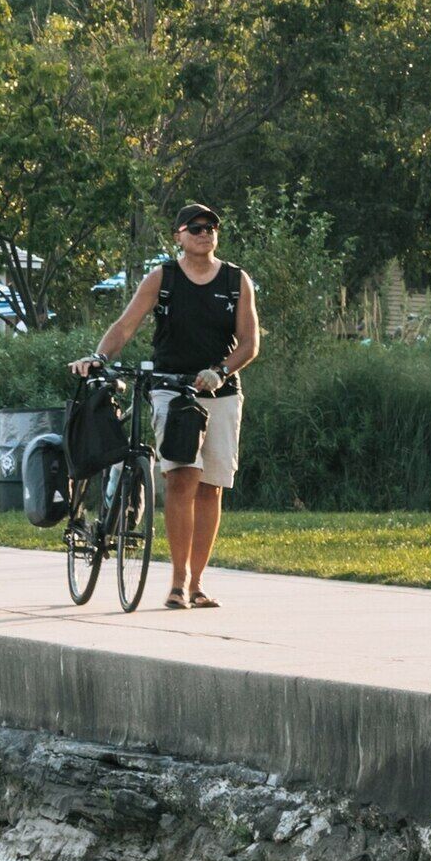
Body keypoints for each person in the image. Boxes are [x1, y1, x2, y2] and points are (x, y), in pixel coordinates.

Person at [81, 202, 260, 611]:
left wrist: (220, 371)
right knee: (181, 477)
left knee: (211, 487)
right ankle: (177, 582)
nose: (205, 233)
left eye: (211, 226)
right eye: (195, 227)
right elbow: (125, 325)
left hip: (220, 392)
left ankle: (197, 583)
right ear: (178, 235)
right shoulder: (163, 277)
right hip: (171, 389)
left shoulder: (236, 280)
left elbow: (250, 343)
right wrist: (100, 358)